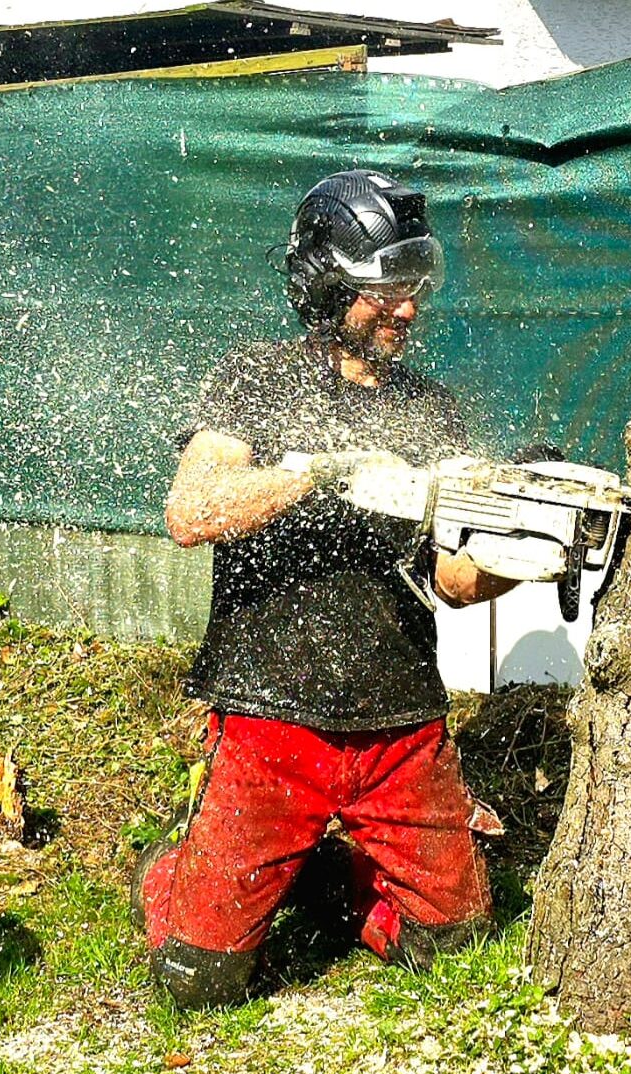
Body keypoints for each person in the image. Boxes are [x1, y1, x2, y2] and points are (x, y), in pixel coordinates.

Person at [133, 169, 518, 1009]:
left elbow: (453, 581)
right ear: (328, 285)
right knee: (199, 984)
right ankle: (171, 872)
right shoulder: (258, 380)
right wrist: (316, 472)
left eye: (414, 290)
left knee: (452, 947)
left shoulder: (432, 410)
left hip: (399, 722)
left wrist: (529, 549)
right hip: (272, 716)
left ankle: (323, 877)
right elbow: (191, 511)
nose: (405, 311)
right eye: (385, 293)